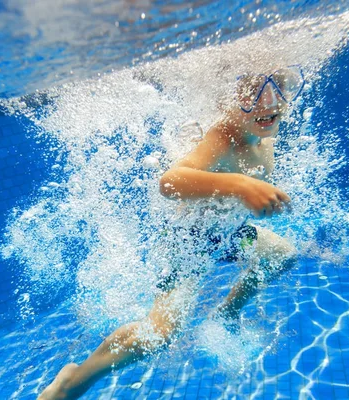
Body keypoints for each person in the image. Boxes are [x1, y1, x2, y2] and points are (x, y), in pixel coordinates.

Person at [38, 67, 303, 400]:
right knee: (159, 334)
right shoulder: (223, 135)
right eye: (252, 91)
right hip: (189, 244)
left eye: (277, 88)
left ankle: (227, 313)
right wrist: (242, 185)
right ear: (229, 100)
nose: (267, 101)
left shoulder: (265, 133)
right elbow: (170, 181)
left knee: (282, 255)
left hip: (231, 234)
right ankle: (72, 382)